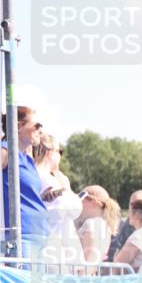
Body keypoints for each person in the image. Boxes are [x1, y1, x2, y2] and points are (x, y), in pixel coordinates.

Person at [2, 106, 50, 256]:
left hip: (39, 235)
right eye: (37, 125)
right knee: (24, 280)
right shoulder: (6, 151)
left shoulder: (27, 159)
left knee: (35, 281)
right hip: (21, 236)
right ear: (18, 126)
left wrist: (42, 197)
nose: (40, 130)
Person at [33, 133, 84, 267]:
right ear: (50, 152)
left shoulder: (34, 175)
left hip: (50, 249)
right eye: (59, 151)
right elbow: (74, 208)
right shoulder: (45, 177)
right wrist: (65, 186)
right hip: (53, 251)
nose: (60, 156)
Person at [76, 185, 120, 265]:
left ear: (94, 203)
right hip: (93, 275)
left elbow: (90, 259)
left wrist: (80, 276)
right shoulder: (106, 227)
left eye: (82, 198)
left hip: (84, 276)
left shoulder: (91, 224)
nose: (79, 203)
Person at [106, 189, 142, 262]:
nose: (133, 209)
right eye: (132, 205)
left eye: (139, 205)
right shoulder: (120, 226)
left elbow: (118, 263)